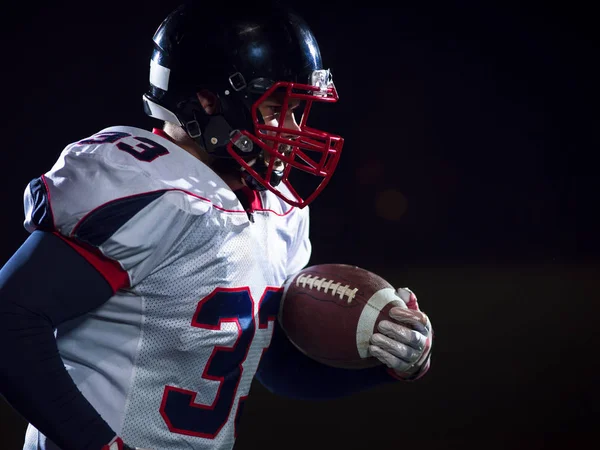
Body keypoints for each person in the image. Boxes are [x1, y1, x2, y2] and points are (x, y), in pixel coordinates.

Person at [0, 2, 433, 449]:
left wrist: (388, 361)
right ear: (208, 101)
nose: (293, 128)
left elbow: (271, 369)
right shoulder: (150, 187)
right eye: (274, 109)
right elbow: (10, 319)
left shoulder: (277, 209)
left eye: (299, 110)